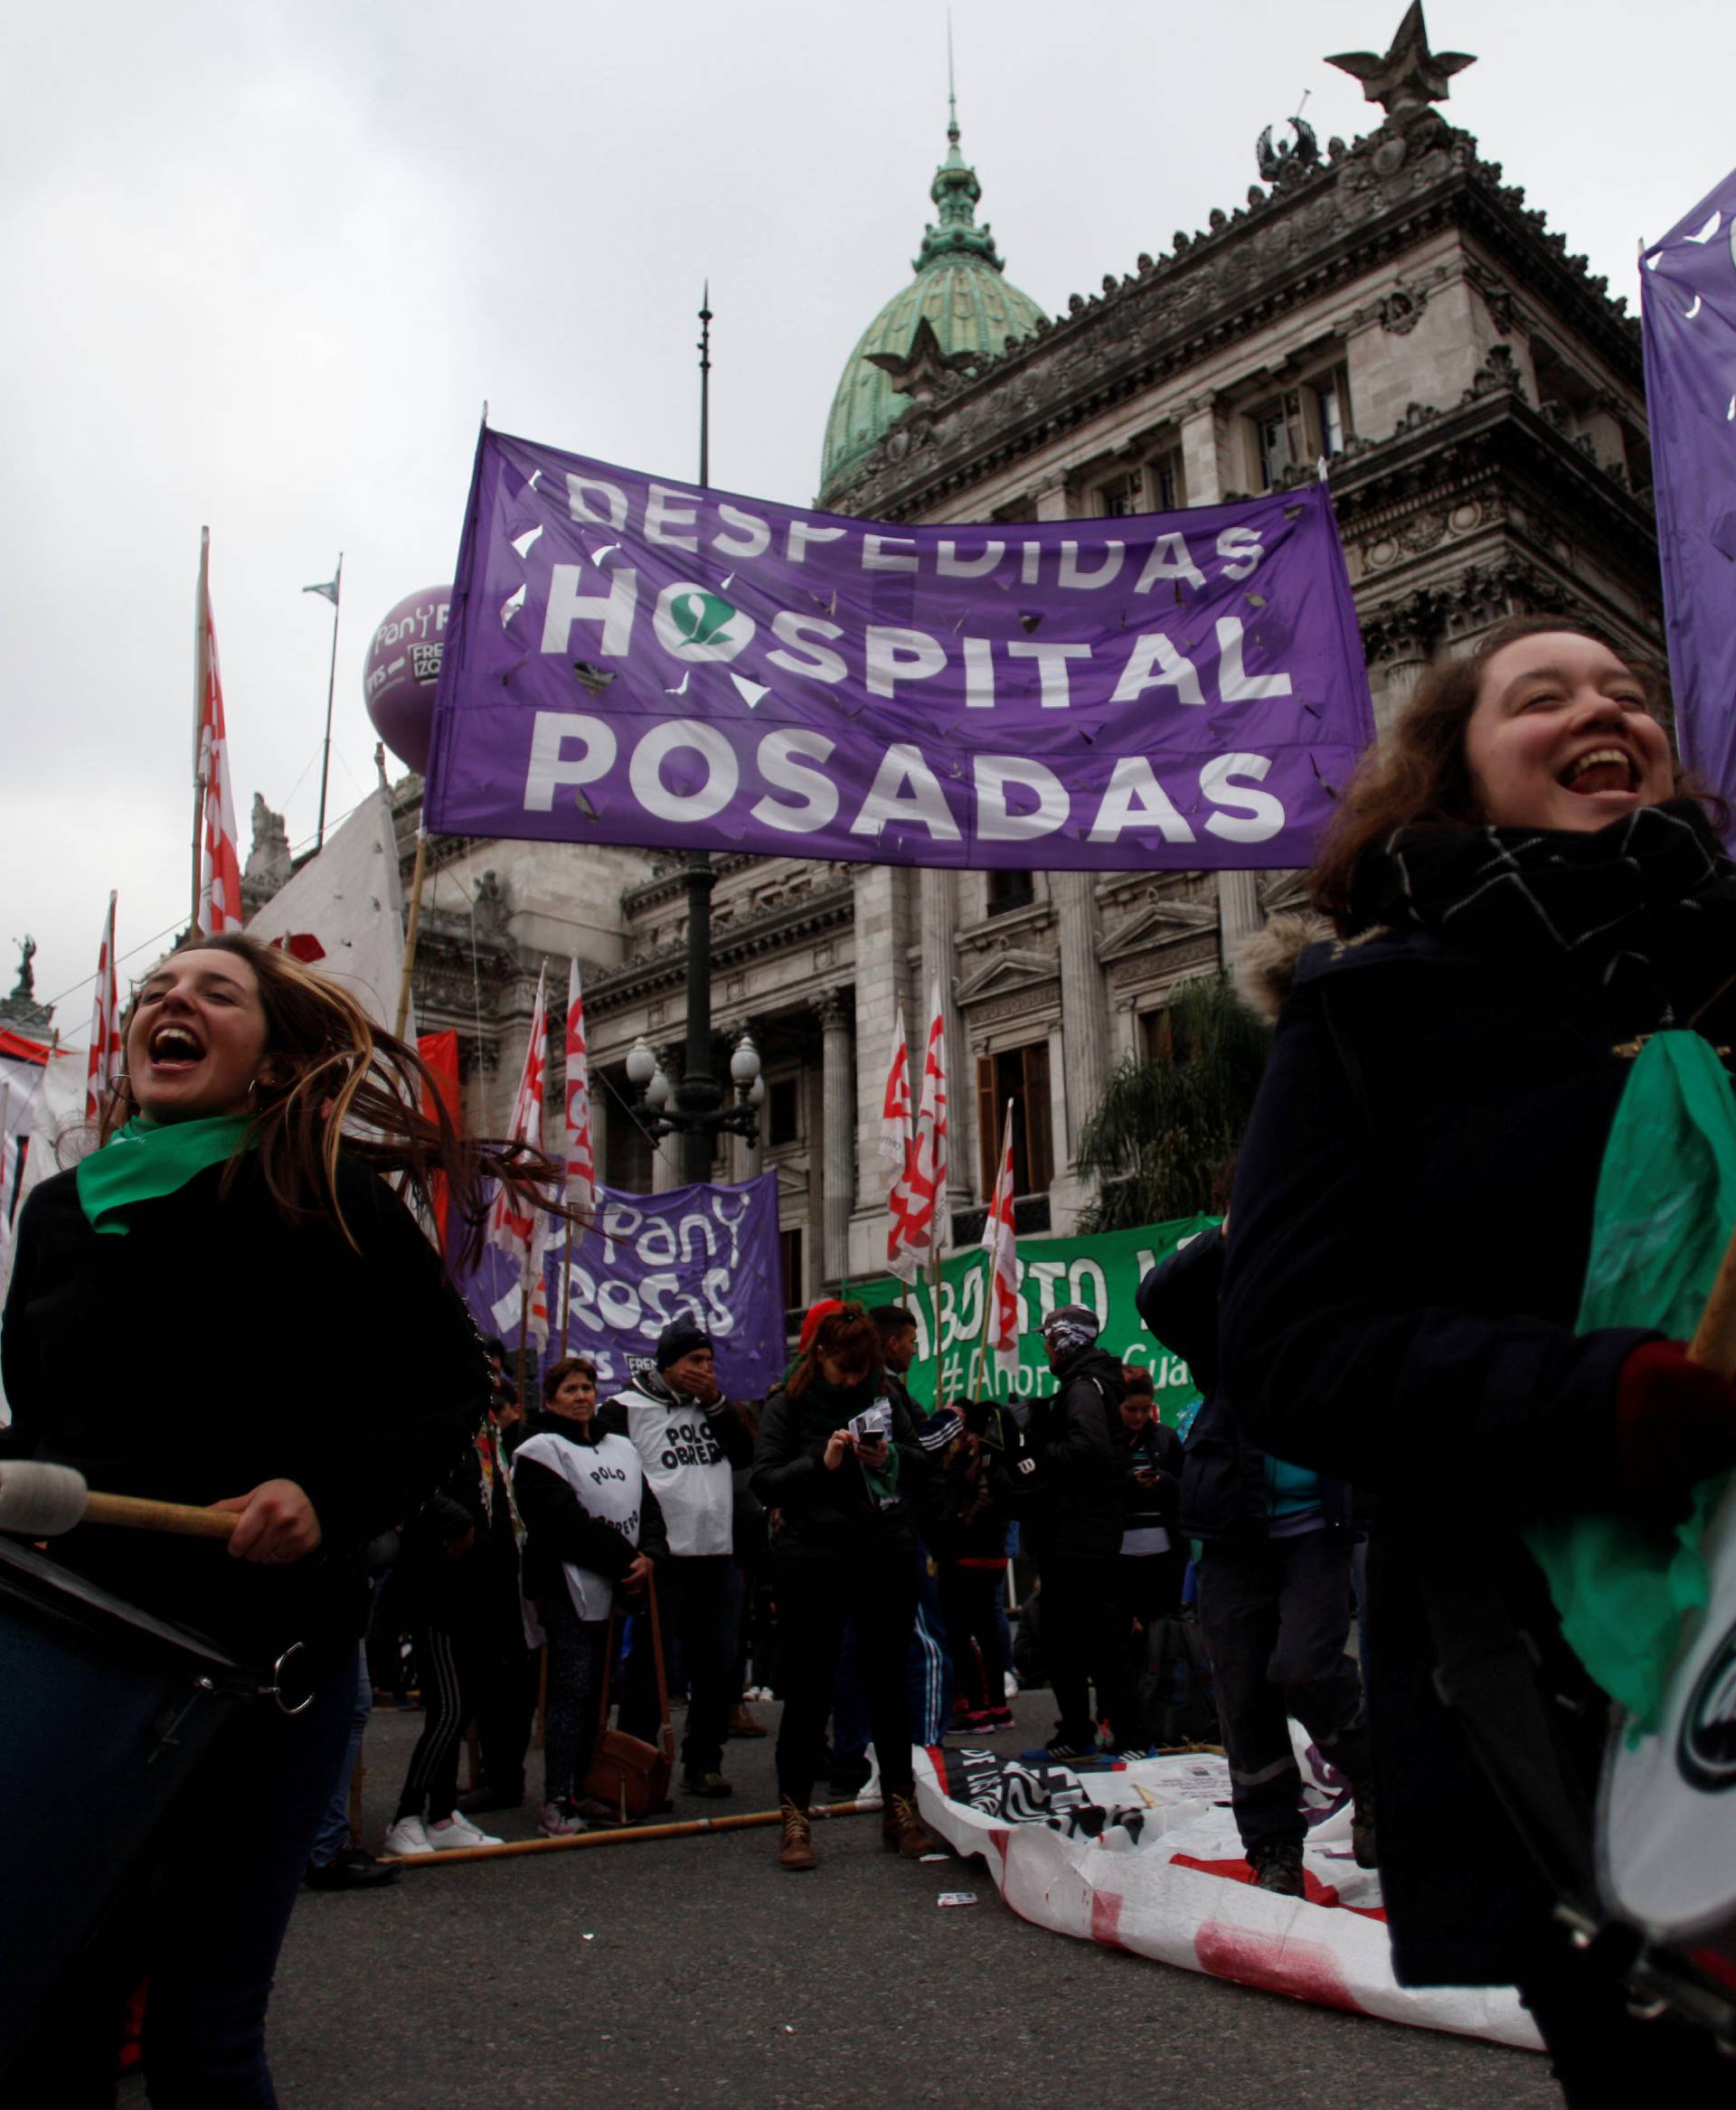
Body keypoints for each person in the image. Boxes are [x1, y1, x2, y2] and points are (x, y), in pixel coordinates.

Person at [1218, 617, 1736, 2100]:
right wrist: (1599, 1400)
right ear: (1455, 769)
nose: (1603, 710)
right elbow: (1289, 1343)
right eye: (1546, 694)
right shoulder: (1372, 1012)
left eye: (1629, 693)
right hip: (1553, 1665)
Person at [0, 930, 559, 2106]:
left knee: (203, 2036)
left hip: (263, 1667)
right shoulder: (56, 1213)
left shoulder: (319, 1190)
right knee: (63, 2018)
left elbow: (446, 1388)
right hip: (83, 1657)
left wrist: (324, 1494)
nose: (173, 1000)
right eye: (159, 989)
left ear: (266, 1055)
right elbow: (46, 1428)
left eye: (214, 991)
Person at [1142, 1226, 1371, 1894]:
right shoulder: (1221, 1313)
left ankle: (1372, 1770)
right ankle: (1274, 1849)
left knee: (1304, 1668)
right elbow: (1157, 1298)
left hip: (1316, 1529)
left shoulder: (1335, 1292)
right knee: (1243, 1695)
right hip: (1232, 1532)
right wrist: (1227, 1236)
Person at [750, 1302, 940, 1870]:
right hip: (812, 1556)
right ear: (822, 1356)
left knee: (887, 1681)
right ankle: (795, 1816)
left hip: (881, 1549)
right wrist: (822, 1462)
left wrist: (890, 1456)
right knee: (809, 1688)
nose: (854, 1380)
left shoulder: (885, 1394)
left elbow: (922, 1459)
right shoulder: (786, 1402)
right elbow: (765, 1481)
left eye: (864, 1370)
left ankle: (899, 1808)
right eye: (845, 1370)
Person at [597, 1317, 754, 1798]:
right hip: (662, 1557)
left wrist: (715, 1402)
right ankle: (640, 1764)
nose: (704, 1370)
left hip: (715, 1553)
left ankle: (704, 1761)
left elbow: (746, 1453)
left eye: (709, 1361)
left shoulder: (718, 1409)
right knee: (652, 1663)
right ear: (668, 1365)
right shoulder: (623, 1410)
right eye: (694, 1361)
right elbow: (611, 1477)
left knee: (717, 1664)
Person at [513, 1355, 667, 1835]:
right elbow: (565, 1524)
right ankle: (557, 1797)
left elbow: (650, 1508)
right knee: (571, 1691)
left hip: (618, 1582)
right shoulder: (537, 1451)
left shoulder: (621, 1446)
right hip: (568, 1586)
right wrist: (627, 1563)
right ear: (551, 1398)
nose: (581, 1397)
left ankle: (586, 1784)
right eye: (570, 1390)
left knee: (601, 1693)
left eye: (587, 1388)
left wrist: (650, 1556)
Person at [382, 1406, 530, 1854]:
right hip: (440, 1587)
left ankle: (443, 1815)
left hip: (483, 1588)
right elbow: (404, 1481)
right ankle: (407, 1815)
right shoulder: (427, 1417)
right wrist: (457, 1521)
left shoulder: (481, 1427)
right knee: (447, 1707)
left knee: (465, 1705)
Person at [1021, 1305, 1153, 1761]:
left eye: (1048, 1338)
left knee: (1087, 1636)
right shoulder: (1091, 1383)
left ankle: (1119, 1735)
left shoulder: (1081, 1387)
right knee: (1077, 1635)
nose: (1043, 1347)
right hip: (1084, 1530)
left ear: (1064, 1341)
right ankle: (1083, 1731)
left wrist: (1038, 1452)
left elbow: (1089, 1449)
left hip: (1078, 1534)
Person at [1115, 1386, 1184, 1655]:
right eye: (1132, 1409)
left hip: (1164, 1550)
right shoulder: (1107, 1440)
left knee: (1162, 1630)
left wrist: (1163, 1480)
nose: (1139, 1416)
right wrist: (1128, 1483)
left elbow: (1185, 1483)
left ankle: (1163, 1690)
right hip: (1121, 1551)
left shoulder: (1165, 1437)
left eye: (1145, 1409)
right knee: (1125, 1632)